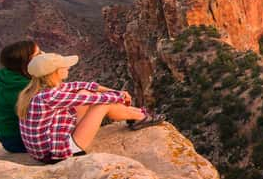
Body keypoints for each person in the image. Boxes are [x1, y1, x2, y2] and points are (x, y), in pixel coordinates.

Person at [16, 51, 164, 163]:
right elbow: (94, 99)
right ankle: (139, 116)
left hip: (48, 145)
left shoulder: (39, 88)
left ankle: (135, 114)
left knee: (84, 91)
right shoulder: (48, 96)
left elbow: (82, 86)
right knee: (101, 104)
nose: (68, 67)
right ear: (55, 72)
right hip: (56, 153)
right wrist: (120, 96)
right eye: (64, 66)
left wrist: (115, 91)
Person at [0, 39, 39, 153]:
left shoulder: (7, 76)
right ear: (26, 62)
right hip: (16, 140)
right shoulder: (20, 88)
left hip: (9, 136)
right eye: (38, 54)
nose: (43, 55)